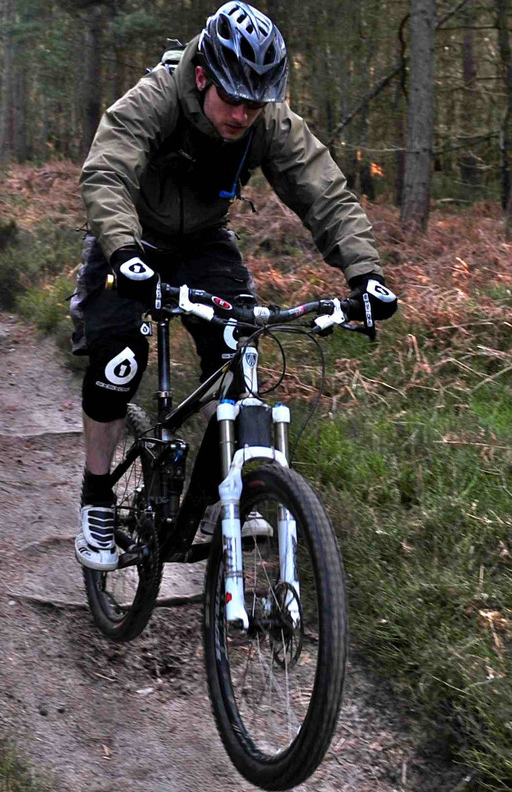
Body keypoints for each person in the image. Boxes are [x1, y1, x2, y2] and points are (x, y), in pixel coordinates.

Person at [72, 0, 398, 570]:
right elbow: (107, 170)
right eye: (235, 98)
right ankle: (97, 496)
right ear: (202, 76)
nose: (245, 114)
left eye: (257, 102)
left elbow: (324, 190)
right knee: (118, 358)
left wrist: (366, 275)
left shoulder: (267, 120)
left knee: (237, 354)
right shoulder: (157, 97)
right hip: (130, 237)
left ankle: (222, 498)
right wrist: (123, 252)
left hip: (203, 242)